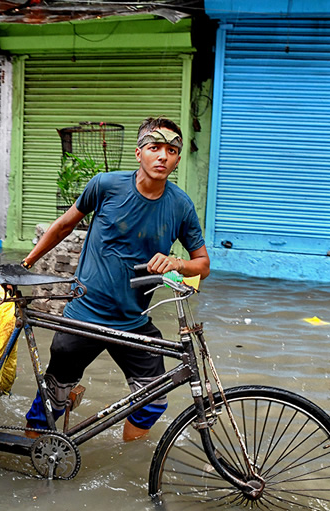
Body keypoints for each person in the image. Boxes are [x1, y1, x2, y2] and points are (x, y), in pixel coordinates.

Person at [21, 116, 211, 442]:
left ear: (179, 158)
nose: (162, 156)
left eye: (171, 150)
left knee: (153, 403)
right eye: (154, 148)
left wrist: (176, 262)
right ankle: (36, 460)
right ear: (139, 153)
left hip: (134, 321)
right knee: (47, 410)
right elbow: (64, 225)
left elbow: (203, 265)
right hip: (84, 316)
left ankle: (128, 467)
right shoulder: (106, 186)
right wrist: (25, 264)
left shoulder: (180, 206)